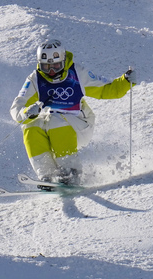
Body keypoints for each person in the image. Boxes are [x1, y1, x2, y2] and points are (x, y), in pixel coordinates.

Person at [10, 39, 135, 188]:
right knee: (30, 125)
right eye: (46, 67)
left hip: (79, 126)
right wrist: (26, 112)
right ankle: (47, 175)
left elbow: (107, 90)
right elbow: (16, 107)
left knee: (55, 119)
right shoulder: (35, 79)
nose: (51, 71)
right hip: (51, 126)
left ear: (63, 61)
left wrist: (126, 81)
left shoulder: (77, 74)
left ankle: (71, 172)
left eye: (56, 66)